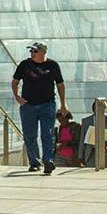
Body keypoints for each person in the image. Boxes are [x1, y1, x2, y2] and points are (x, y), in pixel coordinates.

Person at [13, 41, 68, 174]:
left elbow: (60, 85)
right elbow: (15, 82)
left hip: (47, 104)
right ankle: (34, 162)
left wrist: (63, 104)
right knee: (30, 135)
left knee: (47, 134)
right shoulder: (24, 65)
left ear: (43, 52)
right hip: (28, 105)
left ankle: (48, 160)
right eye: (31, 51)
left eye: (35, 51)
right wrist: (17, 97)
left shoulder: (52, 65)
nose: (32, 53)